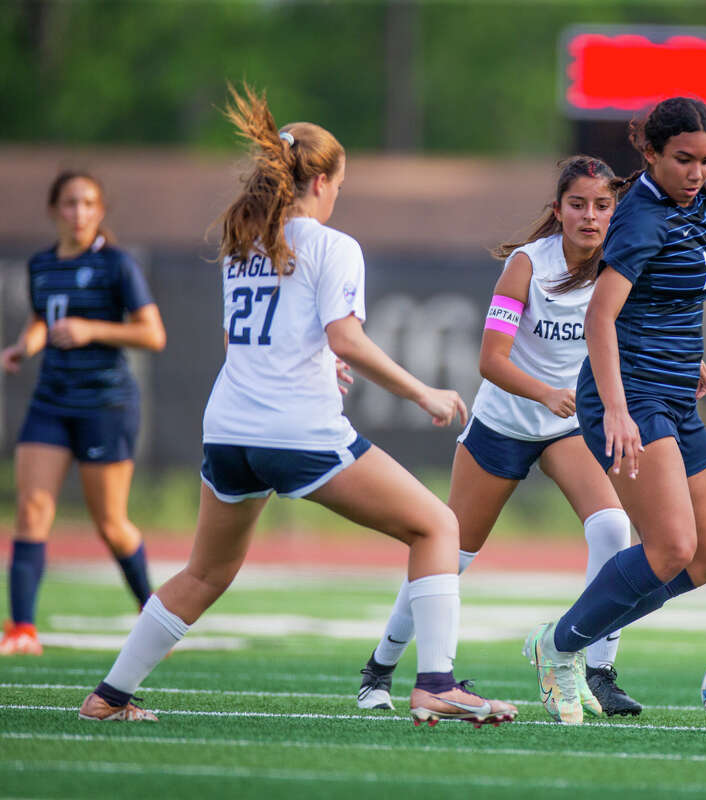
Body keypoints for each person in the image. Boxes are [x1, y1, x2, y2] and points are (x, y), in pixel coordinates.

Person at [77, 85, 516, 727]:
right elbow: (347, 338)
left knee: (205, 572)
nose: (339, 195)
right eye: (339, 183)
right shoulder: (332, 244)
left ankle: (107, 697)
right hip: (296, 432)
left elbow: (248, 339)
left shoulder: (243, 240)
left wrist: (318, 357)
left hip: (228, 431)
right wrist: (421, 390)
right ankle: (437, 685)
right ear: (321, 181)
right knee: (437, 527)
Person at [358, 156, 642, 718]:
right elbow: (491, 360)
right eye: (578, 204)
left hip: (566, 426)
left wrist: (692, 363)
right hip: (505, 424)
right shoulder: (525, 266)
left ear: (615, 210)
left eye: (602, 206)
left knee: (614, 527)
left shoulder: (621, 264)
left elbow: (636, 335)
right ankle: (380, 666)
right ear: (557, 210)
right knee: (450, 554)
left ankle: (598, 668)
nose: (590, 216)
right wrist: (543, 393)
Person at [523, 97, 706, 724]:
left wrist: (688, 354)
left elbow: (670, 294)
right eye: (683, 160)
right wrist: (615, 411)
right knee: (669, 547)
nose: (697, 172)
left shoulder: (691, 203)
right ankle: (561, 646)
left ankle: (570, 636)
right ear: (649, 153)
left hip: (672, 393)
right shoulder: (642, 216)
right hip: (631, 397)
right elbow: (600, 316)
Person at [1, 171, 166, 656]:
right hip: (51, 401)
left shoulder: (117, 265)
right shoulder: (41, 265)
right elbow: (41, 320)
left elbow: (153, 334)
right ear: (55, 210)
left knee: (111, 524)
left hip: (105, 405)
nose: (80, 213)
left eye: (89, 204)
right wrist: (22, 347)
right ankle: (23, 630)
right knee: (31, 510)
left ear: (101, 211)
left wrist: (92, 330)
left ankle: (152, 615)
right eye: (71, 204)